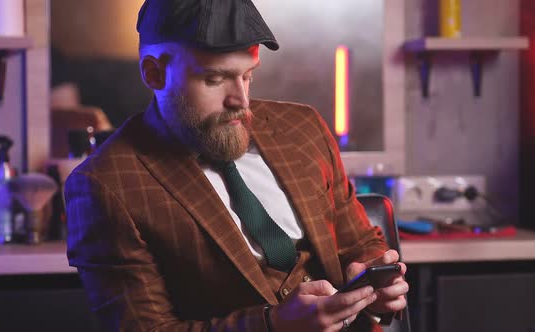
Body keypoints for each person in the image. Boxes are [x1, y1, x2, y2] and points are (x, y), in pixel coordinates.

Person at [64, 0, 409, 331]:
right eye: (215, 80)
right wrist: (273, 326)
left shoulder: (305, 128)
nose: (241, 101)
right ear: (155, 74)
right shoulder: (105, 185)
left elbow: (359, 243)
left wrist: (375, 279)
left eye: (248, 75)